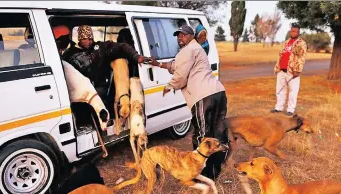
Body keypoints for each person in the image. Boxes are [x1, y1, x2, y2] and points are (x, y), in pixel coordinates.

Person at [149, 25, 228, 181]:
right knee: (218, 132)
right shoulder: (196, 49)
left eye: (183, 35)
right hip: (218, 92)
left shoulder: (187, 51)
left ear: (191, 36)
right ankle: (214, 171)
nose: (180, 37)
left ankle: (199, 172)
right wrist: (158, 64)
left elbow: (180, 75)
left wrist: (170, 86)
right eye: (178, 35)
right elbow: (175, 65)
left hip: (203, 97)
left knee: (201, 134)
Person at [61, 25, 145, 99]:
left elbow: (122, 47)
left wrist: (136, 57)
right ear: (80, 39)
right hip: (81, 89)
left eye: (90, 38)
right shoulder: (70, 54)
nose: (88, 41)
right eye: (85, 39)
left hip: (101, 88)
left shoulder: (100, 48)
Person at [270, 23, 307, 116]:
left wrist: (298, 70)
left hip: (292, 72)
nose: (293, 32)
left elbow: (301, 58)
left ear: (298, 32)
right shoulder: (286, 42)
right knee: (280, 90)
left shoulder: (301, 43)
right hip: (281, 70)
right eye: (292, 31)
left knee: (293, 91)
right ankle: (278, 108)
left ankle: (290, 110)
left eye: (295, 31)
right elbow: (281, 55)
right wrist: (277, 67)